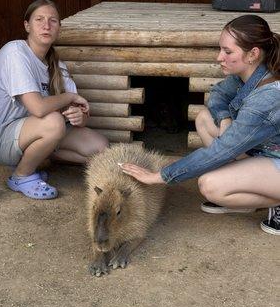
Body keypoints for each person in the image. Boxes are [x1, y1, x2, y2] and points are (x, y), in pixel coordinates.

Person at [119, 15, 280, 236]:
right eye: (220, 49)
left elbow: (222, 150)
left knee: (210, 186)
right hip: (265, 151)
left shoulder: (268, 96)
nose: (219, 57)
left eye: (228, 52)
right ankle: (247, 194)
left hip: (275, 158)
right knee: (205, 118)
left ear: (253, 54)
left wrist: (160, 176)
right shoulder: (247, 73)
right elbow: (218, 95)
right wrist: (225, 119)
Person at [0, 0, 108, 200]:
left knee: (100, 148)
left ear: (59, 28)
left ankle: (36, 157)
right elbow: (38, 108)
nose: (46, 25)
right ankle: (21, 176)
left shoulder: (58, 66)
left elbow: (79, 117)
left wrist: (79, 117)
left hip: (33, 132)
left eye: (53, 20)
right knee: (54, 122)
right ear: (27, 26)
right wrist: (70, 96)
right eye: (39, 19)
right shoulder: (15, 52)